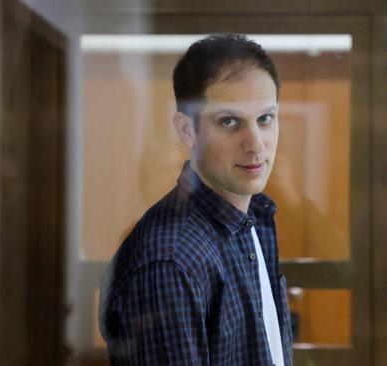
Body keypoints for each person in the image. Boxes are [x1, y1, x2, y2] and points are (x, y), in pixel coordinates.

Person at [99, 34, 292, 365]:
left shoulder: (254, 216)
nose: (256, 144)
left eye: (265, 119)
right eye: (229, 121)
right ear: (188, 131)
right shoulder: (169, 261)